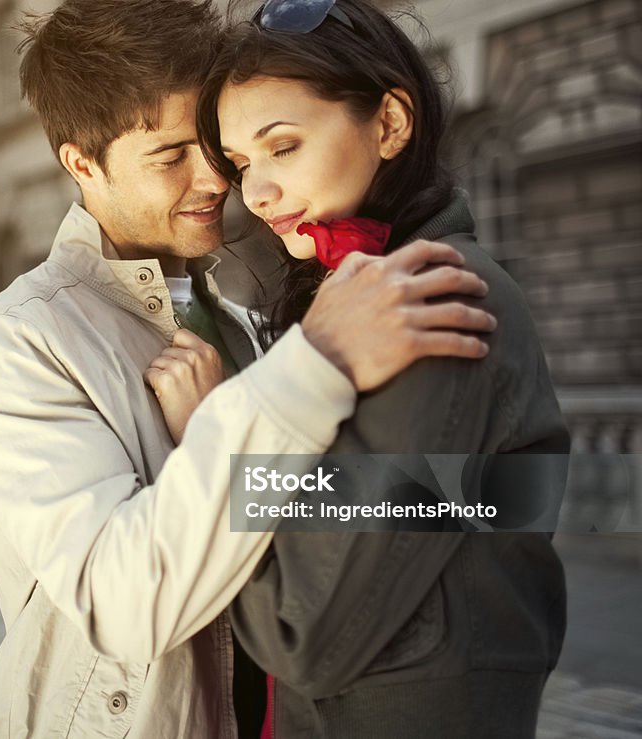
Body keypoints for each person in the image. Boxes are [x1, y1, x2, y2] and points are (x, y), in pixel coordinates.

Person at [0, 1, 499, 736]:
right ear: (81, 163)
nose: (214, 181)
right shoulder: (16, 344)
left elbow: (470, 497)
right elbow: (125, 602)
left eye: (216, 147)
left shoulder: (280, 282)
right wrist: (306, 372)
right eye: (170, 156)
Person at [146, 0, 567, 736]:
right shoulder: (354, 301)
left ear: (390, 123)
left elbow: (301, 632)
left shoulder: (429, 297)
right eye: (243, 163)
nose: (259, 192)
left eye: (284, 147)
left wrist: (213, 434)